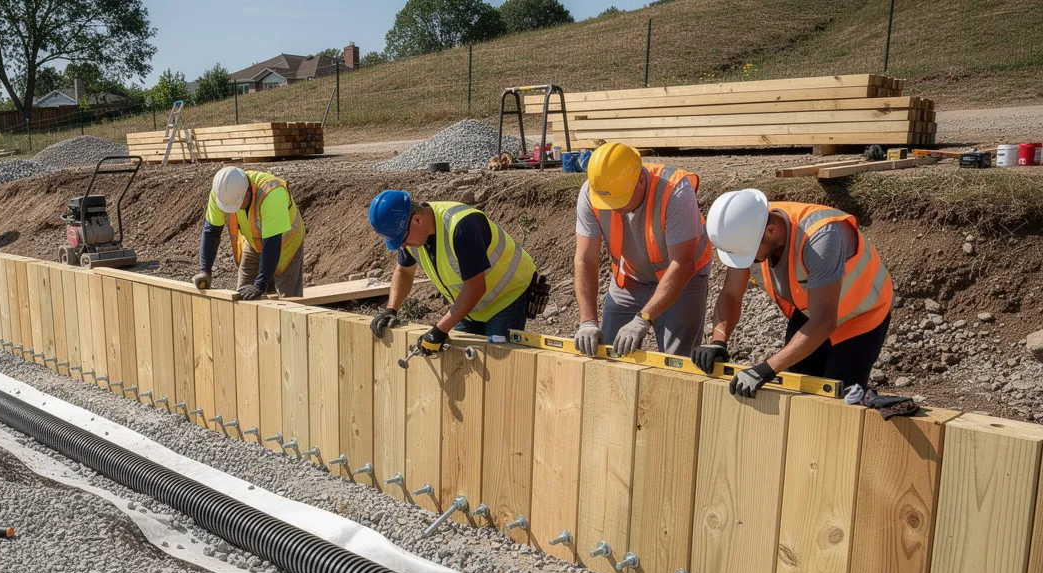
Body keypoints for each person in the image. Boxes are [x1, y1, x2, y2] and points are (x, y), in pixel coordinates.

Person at [695, 189, 894, 396]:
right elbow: (731, 295)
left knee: (837, 397)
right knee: (797, 389)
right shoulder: (748, 230)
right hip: (810, 312)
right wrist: (718, 340)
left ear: (771, 231)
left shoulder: (822, 238)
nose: (747, 261)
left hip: (860, 317)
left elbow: (824, 321)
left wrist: (765, 369)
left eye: (748, 255)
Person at [571, 141, 714, 358]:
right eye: (607, 202)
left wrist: (643, 318)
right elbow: (585, 259)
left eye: (620, 200)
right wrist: (588, 321)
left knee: (675, 360)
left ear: (640, 180)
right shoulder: (592, 193)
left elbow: (682, 264)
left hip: (682, 277)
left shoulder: (675, 190)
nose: (614, 208)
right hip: (631, 278)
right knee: (610, 353)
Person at [366, 190, 536, 355]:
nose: (402, 246)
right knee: (460, 359)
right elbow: (404, 272)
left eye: (402, 239)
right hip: (471, 305)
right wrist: (391, 309)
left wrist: (439, 329)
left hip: (506, 296)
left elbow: (475, 287)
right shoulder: (410, 234)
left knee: (496, 360)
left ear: (417, 219)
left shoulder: (462, 226)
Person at [193, 166, 305, 300]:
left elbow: (272, 244)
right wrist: (205, 270)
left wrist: (260, 284)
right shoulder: (222, 193)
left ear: (247, 192)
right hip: (254, 241)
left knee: (289, 302)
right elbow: (212, 232)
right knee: (241, 295)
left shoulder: (271, 194)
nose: (234, 210)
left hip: (286, 243)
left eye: (237, 204)